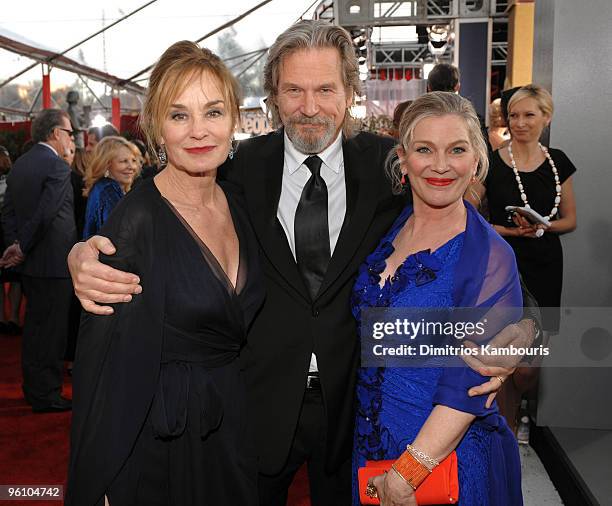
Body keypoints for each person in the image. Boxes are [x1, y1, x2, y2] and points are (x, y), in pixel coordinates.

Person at [67, 21, 538, 506]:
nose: (309, 107)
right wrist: (81, 254)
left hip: (355, 408)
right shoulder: (237, 167)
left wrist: (523, 327)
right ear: (272, 95)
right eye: (293, 90)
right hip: (251, 404)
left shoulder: (392, 167)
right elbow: (165, 202)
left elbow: (471, 248)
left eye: (325, 89)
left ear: (350, 91)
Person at [66, 41, 264, 506]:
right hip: (159, 444)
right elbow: (101, 366)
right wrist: (102, 482)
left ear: (235, 120)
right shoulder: (136, 222)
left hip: (231, 429)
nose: (199, 131)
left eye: (212, 112)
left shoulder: (238, 203)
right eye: (179, 116)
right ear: (157, 127)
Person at [352, 92, 523, 506]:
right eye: (425, 149)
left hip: (441, 461)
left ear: (477, 160)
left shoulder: (488, 254)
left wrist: (407, 475)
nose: (441, 165)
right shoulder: (391, 227)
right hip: (373, 445)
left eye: (457, 150)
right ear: (403, 159)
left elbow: (470, 381)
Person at [481, 84, 577, 433]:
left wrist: (542, 226)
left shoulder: (558, 162)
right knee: (506, 356)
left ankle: (519, 411)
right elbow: (472, 217)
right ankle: (504, 430)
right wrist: (510, 232)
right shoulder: (492, 163)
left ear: (545, 117)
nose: (520, 122)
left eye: (529, 115)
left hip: (547, 266)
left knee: (529, 368)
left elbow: (570, 220)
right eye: (514, 115)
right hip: (504, 265)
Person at [0, 109, 76, 413]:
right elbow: (46, 214)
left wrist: (15, 245)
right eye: (69, 132)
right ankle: (47, 394)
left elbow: (7, 212)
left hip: (31, 265)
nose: (71, 138)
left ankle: (35, 390)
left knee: (34, 330)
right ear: (56, 133)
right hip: (54, 264)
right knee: (52, 332)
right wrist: (22, 247)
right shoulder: (57, 167)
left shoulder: (19, 165)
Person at [82, 136, 140, 239]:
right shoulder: (108, 190)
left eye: (134, 160)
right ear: (107, 164)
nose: (131, 167)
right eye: (124, 161)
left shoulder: (101, 186)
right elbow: (121, 235)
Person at [0, 146, 23, 336]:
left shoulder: (14, 177)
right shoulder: (15, 176)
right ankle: (12, 318)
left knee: (11, 277)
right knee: (13, 277)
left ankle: (7, 318)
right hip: (11, 232)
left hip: (11, 233)